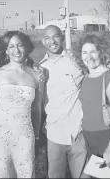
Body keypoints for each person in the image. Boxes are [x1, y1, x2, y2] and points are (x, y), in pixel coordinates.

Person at [0, 31, 44, 178]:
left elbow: (37, 108)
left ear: (27, 48)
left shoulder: (38, 75)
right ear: (6, 50)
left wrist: (36, 136)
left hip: (25, 136)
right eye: (11, 46)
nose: (16, 50)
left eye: (19, 45)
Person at [39, 25, 88, 178]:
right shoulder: (40, 68)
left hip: (78, 133)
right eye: (47, 38)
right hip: (54, 134)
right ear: (42, 41)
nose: (52, 41)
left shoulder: (77, 59)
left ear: (62, 38)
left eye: (55, 36)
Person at [77, 34, 110, 177]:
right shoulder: (85, 77)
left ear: (101, 52)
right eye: (84, 52)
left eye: (93, 51)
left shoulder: (108, 77)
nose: (89, 56)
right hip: (89, 139)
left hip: (105, 138)